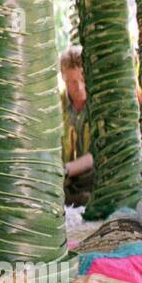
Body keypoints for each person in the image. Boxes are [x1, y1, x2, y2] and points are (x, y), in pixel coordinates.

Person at [59, 45, 94, 208]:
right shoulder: (55, 106)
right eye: (73, 82)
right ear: (64, 78)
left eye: (83, 79)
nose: (79, 87)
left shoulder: (99, 105)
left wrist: (65, 170)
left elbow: (98, 154)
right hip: (62, 180)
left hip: (91, 176)